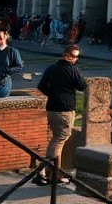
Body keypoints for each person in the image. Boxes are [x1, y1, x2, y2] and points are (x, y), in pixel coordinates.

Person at [36, 44, 87, 185]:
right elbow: (82, 86)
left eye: (77, 57)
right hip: (64, 109)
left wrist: (53, 95)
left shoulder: (51, 68)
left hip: (51, 108)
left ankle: (45, 171)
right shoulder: (73, 69)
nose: (75, 59)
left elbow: (41, 86)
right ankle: (54, 175)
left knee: (56, 139)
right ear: (66, 55)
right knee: (60, 140)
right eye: (74, 56)